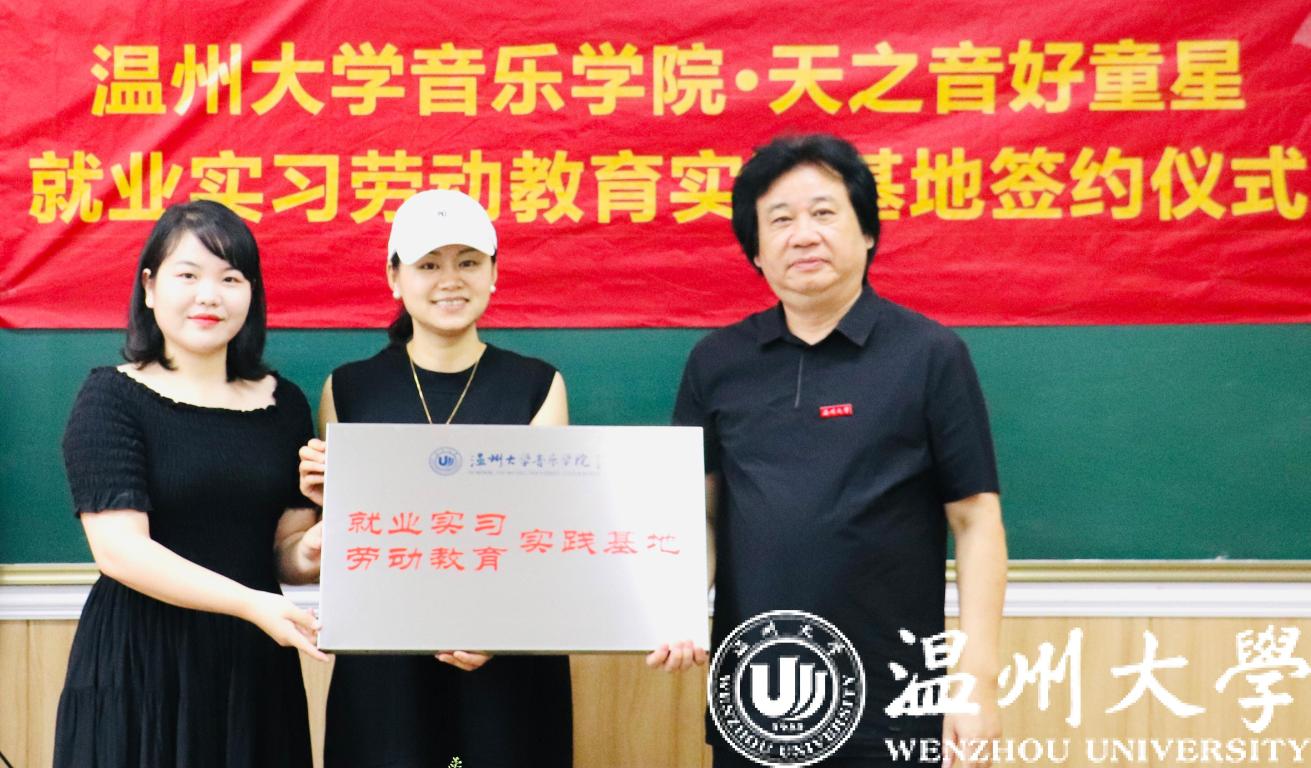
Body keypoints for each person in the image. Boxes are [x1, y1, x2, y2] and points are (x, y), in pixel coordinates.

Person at [664, 134, 1008, 768]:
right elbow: (699, 517)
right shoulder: (716, 363)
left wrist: (975, 680)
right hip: (757, 694)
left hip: (895, 695)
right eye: (780, 220)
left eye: (824, 213)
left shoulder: (931, 355)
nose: (804, 235)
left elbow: (976, 521)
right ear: (756, 250)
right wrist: (677, 601)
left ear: (867, 232)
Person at [297, 189, 572, 768]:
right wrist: (330, 500)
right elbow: (347, 540)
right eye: (428, 265)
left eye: (467, 262)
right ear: (394, 278)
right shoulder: (349, 388)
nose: (450, 280)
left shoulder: (538, 385)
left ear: (494, 273)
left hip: (505, 652)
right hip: (387, 663)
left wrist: (501, 629)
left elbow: (546, 534)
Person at [55, 200, 325, 768]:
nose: (209, 296)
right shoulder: (111, 397)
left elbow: (285, 554)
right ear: (150, 288)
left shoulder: (286, 404)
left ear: (251, 295)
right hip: (141, 661)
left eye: (230, 278)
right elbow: (120, 551)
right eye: (188, 275)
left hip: (254, 665)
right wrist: (250, 604)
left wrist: (318, 543)